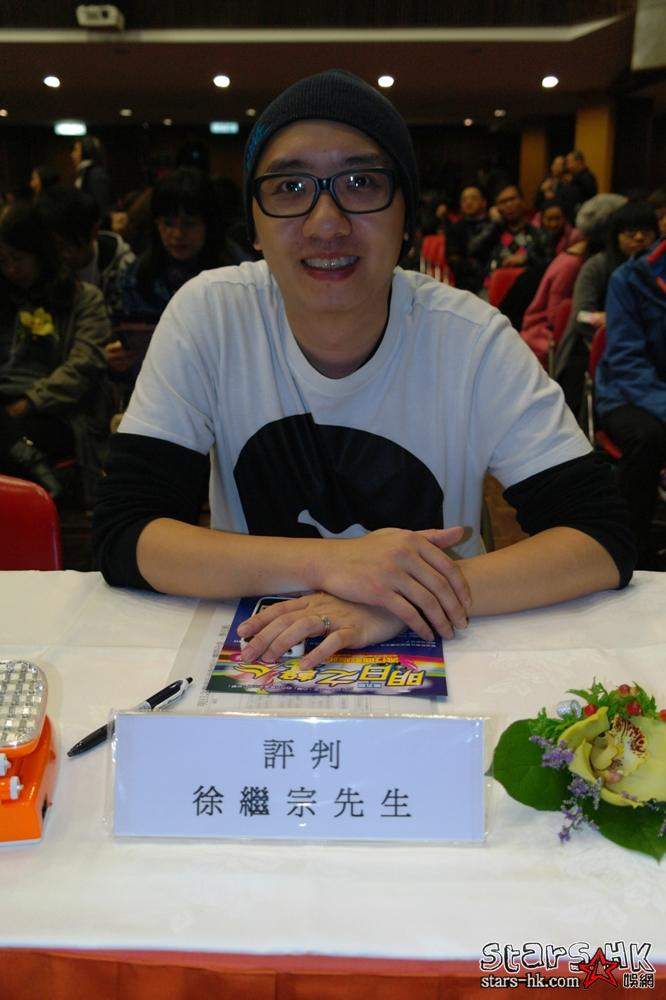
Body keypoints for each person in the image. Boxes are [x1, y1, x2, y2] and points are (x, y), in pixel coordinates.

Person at [93, 69, 634, 668]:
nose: (326, 222)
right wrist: (331, 563)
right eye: (290, 187)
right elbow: (125, 532)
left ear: (407, 218)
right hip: (261, 650)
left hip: (445, 652)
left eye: (361, 182)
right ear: (254, 225)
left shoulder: (470, 340)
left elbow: (601, 536)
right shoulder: (211, 316)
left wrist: (404, 601)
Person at [0, 203, 111, 501]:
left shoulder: (84, 299)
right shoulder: (5, 299)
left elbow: (82, 367)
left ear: (42, 255)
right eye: (3, 261)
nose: (10, 270)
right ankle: (28, 458)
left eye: (18, 259)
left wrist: (29, 402)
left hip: (57, 412)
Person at [105, 167, 231, 388]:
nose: (177, 234)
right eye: (168, 224)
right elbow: (124, 347)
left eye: (189, 224)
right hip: (156, 390)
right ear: (156, 224)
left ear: (208, 225)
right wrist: (118, 363)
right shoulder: (136, 277)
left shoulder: (235, 276)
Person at [595, 235, 666, 569]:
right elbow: (627, 361)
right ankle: (629, 550)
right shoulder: (629, 279)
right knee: (648, 438)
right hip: (626, 393)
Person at [555, 198, 657, 417]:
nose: (639, 238)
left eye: (646, 232)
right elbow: (581, 316)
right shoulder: (597, 266)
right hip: (592, 345)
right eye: (631, 233)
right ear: (616, 236)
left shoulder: (658, 271)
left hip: (648, 350)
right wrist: (620, 319)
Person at [40, 186, 135, 316]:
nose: (63, 254)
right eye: (56, 247)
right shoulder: (46, 265)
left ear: (94, 231)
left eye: (68, 246)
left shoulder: (123, 267)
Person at [447, 185, 488, 293]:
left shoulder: (494, 225)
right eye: (464, 200)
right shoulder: (455, 228)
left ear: (483, 202)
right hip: (466, 284)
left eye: (473, 198)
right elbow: (454, 261)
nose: (468, 202)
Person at [71, 136, 112, 221]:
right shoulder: (86, 172)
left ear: (86, 151)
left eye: (76, 150)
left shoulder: (96, 173)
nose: (72, 154)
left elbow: (101, 207)